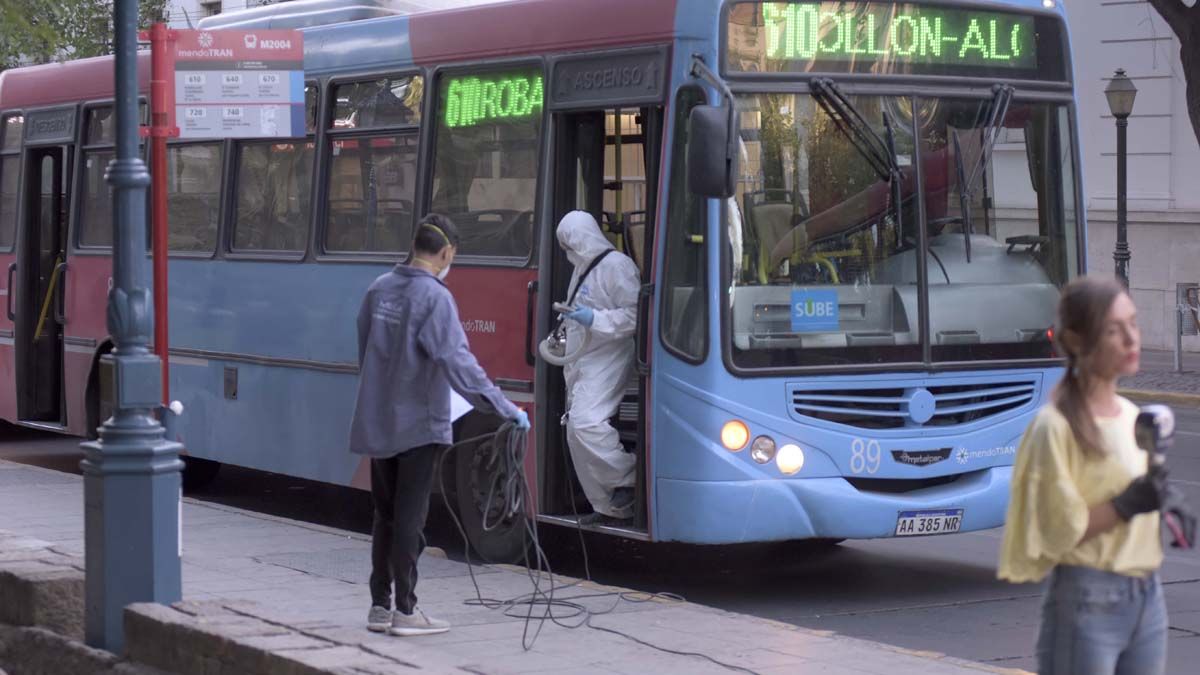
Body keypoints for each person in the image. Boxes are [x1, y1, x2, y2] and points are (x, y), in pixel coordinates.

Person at [999, 275, 1194, 674]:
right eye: (1112, 329)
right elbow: (1054, 529)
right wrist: (1127, 504)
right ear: (1075, 340)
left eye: (1133, 324)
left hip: (1147, 596)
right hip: (1087, 601)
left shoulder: (1131, 416)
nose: (1130, 339)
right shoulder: (1054, 427)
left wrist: (1164, 503)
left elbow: (1139, 491)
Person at [349, 214, 529, 637]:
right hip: (418, 424)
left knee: (385, 515)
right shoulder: (435, 298)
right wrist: (505, 407)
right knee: (410, 517)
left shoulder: (379, 289)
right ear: (447, 254)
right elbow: (458, 362)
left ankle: (379, 605)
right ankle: (406, 612)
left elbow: (365, 349)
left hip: (380, 419)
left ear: (415, 245)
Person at [555, 211, 641, 525]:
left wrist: (595, 320)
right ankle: (608, 507)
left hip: (610, 354)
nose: (568, 249)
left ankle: (629, 477)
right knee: (575, 435)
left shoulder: (617, 266)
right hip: (583, 357)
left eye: (570, 241)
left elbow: (634, 316)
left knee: (585, 423)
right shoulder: (580, 269)